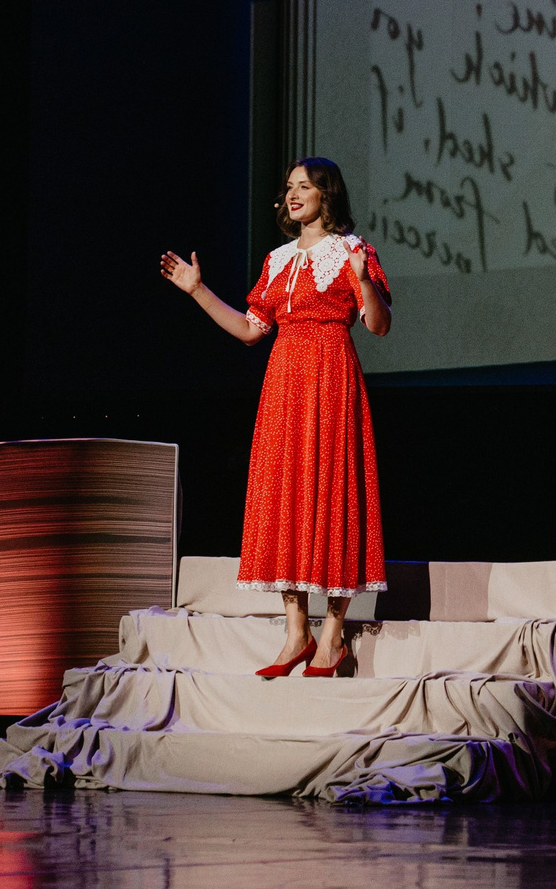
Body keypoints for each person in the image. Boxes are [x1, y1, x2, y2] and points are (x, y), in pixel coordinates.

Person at [159, 159, 391, 678]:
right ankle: (296, 634)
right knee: (285, 493)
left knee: (334, 492)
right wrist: (197, 290)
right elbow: (248, 330)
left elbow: (377, 326)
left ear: (327, 194)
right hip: (284, 382)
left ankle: (332, 637)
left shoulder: (355, 252)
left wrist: (363, 283)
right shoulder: (278, 260)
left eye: (303, 186)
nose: (292, 194)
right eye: (288, 187)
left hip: (332, 376)